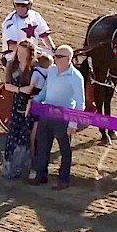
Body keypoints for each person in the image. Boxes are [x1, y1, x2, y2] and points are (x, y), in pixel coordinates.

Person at [28, 45, 85, 190]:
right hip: (47, 113)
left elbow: (80, 103)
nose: (55, 59)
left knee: (64, 149)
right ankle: (41, 175)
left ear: (68, 59)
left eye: (58, 57)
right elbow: (46, 91)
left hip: (64, 118)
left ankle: (63, 179)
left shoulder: (76, 78)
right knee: (42, 145)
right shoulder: (52, 71)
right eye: (55, 55)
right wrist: (35, 101)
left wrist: (73, 123)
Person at [1, 39, 37, 179]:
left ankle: (23, 163)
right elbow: (7, 85)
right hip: (17, 103)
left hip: (29, 105)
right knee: (13, 133)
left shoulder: (34, 67)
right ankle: (9, 164)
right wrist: (22, 90)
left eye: (24, 53)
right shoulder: (12, 65)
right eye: (19, 52)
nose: (21, 55)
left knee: (25, 135)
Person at [1, 0, 56, 64]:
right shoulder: (10, 22)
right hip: (13, 57)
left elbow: (45, 36)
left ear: (29, 5)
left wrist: (53, 50)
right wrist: (33, 53)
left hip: (31, 55)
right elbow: (12, 46)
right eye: (17, 5)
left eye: (23, 5)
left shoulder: (35, 16)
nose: (20, 8)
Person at [27, 53, 54, 179]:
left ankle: (33, 163)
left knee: (33, 138)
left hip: (35, 105)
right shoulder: (52, 74)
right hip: (47, 106)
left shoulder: (36, 73)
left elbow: (30, 88)